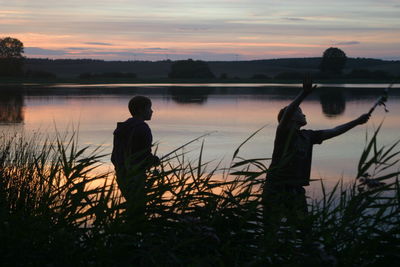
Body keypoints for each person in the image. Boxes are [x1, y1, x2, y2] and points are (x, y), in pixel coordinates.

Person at [263, 76, 370, 231]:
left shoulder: (308, 136)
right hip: (275, 188)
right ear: (292, 118)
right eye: (300, 112)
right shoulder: (283, 134)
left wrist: (357, 122)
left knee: (304, 228)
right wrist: (304, 94)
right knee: (271, 230)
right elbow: (287, 116)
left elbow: (334, 131)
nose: (304, 114)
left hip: (296, 189)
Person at [111, 96, 159, 222]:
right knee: (139, 207)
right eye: (149, 108)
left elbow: (115, 155)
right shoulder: (143, 128)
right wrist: (154, 160)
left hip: (121, 173)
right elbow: (144, 154)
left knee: (132, 205)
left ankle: (128, 230)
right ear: (140, 110)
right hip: (136, 175)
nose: (152, 111)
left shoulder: (122, 128)